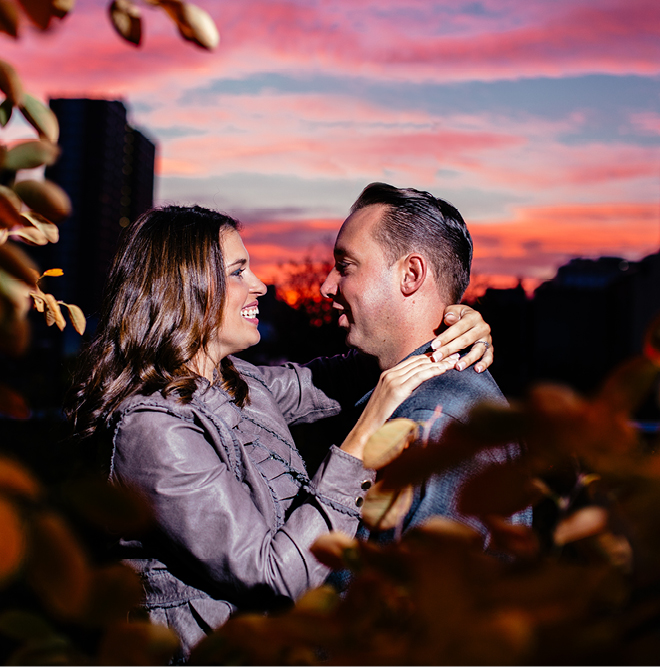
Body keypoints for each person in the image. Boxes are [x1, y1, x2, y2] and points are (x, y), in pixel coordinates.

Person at [69, 205, 495, 660]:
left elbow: (352, 372)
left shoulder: (240, 383)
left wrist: (452, 328)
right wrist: (362, 443)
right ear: (186, 287)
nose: (260, 284)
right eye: (238, 271)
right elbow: (275, 575)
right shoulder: (153, 429)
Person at [319, 183, 530, 541]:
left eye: (345, 266)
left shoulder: (434, 426)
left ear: (411, 275)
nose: (327, 286)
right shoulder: (403, 393)